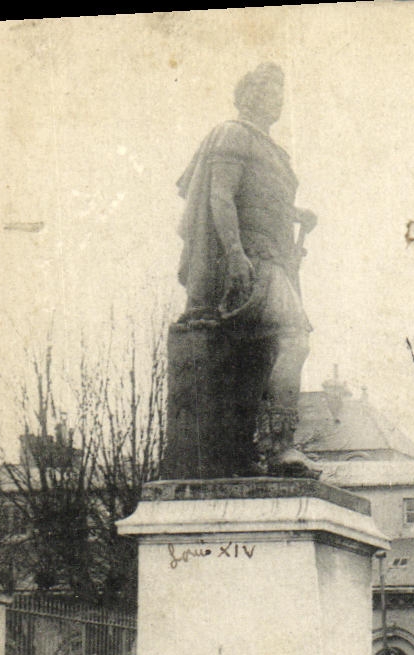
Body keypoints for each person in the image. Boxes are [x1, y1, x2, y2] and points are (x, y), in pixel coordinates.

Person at [170, 62, 318, 479]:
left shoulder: (273, 150)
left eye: (280, 91)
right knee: (293, 338)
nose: (278, 99)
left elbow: (263, 200)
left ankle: (255, 449)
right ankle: (280, 446)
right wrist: (235, 254)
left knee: (265, 350)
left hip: (276, 258)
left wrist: (296, 213)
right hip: (252, 259)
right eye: (270, 90)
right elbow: (221, 196)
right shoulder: (233, 134)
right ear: (249, 94)